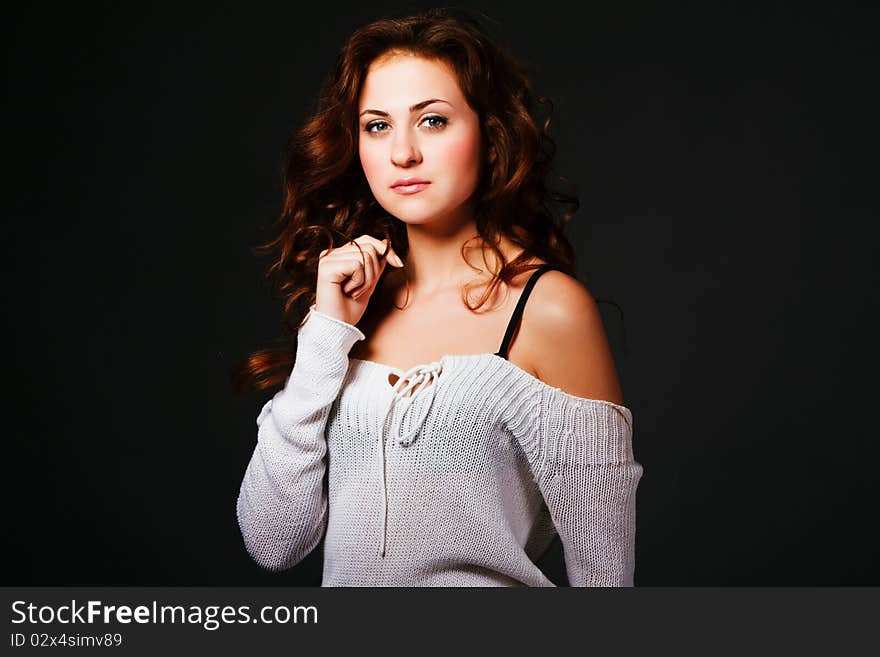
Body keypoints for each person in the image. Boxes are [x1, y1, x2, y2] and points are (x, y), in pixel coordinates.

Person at [233, 8, 644, 586]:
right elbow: (273, 540)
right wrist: (325, 334)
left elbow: (605, 581)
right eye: (377, 125)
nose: (403, 153)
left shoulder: (549, 309)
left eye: (432, 121)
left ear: (489, 132)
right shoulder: (345, 312)